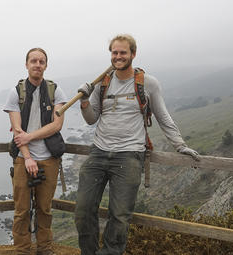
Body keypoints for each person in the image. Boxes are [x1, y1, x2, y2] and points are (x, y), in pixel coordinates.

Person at [74, 34, 201, 255]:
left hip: (129, 156)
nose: (118, 56)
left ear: (133, 54)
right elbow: (91, 118)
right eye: (114, 52)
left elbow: (163, 117)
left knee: (120, 215)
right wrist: (84, 101)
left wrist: (180, 146)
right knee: (83, 211)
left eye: (123, 52)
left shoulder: (148, 83)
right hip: (99, 152)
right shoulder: (102, 82)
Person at [3, 48, 67, 255]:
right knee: (21, 210)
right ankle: (21, 250)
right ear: (26, 64)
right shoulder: (16, 92)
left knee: (44, 209)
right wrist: (28, 157)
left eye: (41, 61)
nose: (37, 64)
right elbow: (17, 130)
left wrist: (30, 137)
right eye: (33, 61)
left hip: (49, 158)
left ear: (46, 65)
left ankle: (44, 249)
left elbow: (57, 125)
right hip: (23, 159)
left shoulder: (55, 91)